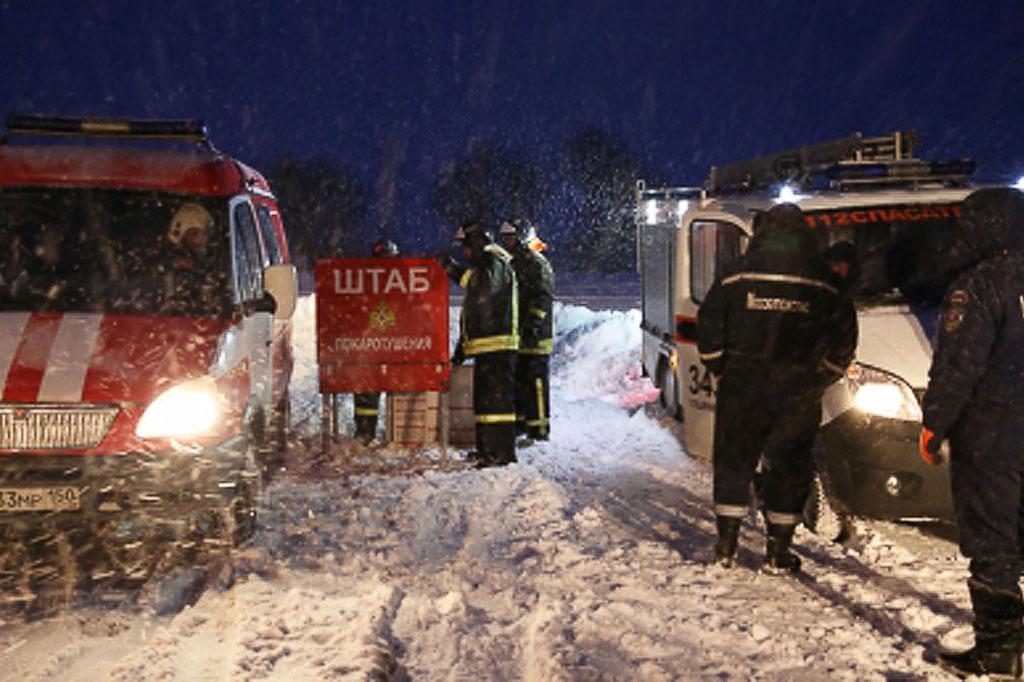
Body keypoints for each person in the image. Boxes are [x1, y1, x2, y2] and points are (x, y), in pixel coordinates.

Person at [697, 203, 857, 573]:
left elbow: (709, 324)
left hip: (743, 386)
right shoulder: (825, 281)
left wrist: (721, 367)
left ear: (764, 231)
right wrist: (819, 378)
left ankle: (726, 547)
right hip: (797, 392)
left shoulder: (736, 275)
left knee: (734, 460)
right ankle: (777, 552)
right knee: (788, 465)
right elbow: (844, 338)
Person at [920, 187, 1024, 678]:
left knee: (993, 537)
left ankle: (1001, 651)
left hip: (994, 433)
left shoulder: (979, 285)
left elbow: (957, 367)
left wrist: (934, 424)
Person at [440, 220, 519, 467]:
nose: (464, 253)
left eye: (465, 247)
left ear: (475, 243)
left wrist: (452, 270)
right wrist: (462, 348)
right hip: (488, 348)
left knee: (496, 406)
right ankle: (487, 450)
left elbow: (481, 289)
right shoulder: (488, 264)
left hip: (498, 347)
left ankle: (499, 454)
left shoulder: (494, 262)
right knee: (485, 404)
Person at [499, 219, 554, 443]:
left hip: (536, 338)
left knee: (536, 384)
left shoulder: (537, 263)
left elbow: (542, 297)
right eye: (506, 239)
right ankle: (522, 425)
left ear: (522, 237)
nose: (508, 243)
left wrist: (533, 325)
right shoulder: (515, 262)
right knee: (520, 383)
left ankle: (539, 430)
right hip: (520, 335)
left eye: (511, 238)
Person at [354, 238, 400, 445]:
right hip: (373, 347)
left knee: (377, 391)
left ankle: (378, 435)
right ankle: (365, 434)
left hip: (395, 345)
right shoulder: (366, 281)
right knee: (366, 393)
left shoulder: (401, 281)